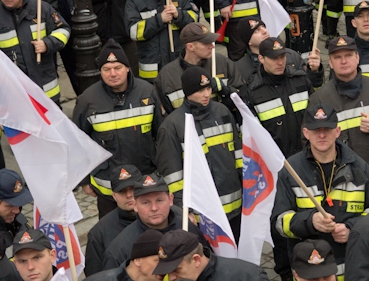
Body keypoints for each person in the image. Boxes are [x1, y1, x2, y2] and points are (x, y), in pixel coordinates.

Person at [271, 102, 369, 280]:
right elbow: (279, 223)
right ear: (306, 133)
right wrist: (310, 221)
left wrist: (352, 228)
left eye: (327, 129)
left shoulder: (359, 166)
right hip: (310, 272)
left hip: (352, 268)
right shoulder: (290, 171)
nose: (322, 135)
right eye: (316, 130)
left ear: (337, 131)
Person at [73, 40, 164, 218]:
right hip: (108, 190)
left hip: (145, 184)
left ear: (128, 68)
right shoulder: (87, 101)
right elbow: (77, 142)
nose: (113, 74)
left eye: (118, 68)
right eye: (106, 69)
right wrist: (83, 180)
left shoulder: (148, 92)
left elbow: (162, 136)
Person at [156, 66, 243, 236]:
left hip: (235, 207)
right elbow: (173, 176)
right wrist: (183, 210)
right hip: (201, 214)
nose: (206, 94)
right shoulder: (172, 126)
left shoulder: (223, 112)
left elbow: (238, 155)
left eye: (208, 88)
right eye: (200, 90)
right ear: (187, 92)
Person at [308, 36, 369, 180]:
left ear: (357, 58)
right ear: (330, 63)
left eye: (348, 55)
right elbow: (308, 140)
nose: (343, 61)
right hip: (339, 179)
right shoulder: (319, 99)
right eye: (337, 57)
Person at [101, 173, 204, 269]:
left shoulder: (187, 227)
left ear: (170, 199)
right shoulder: (121, 249)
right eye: (146, 203)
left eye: (159, 200)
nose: (154, 208)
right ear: (135, 205)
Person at [125, 0, 198, 80]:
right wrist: (160, 20)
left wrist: (178, 15)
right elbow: (133, 32)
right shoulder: (134, 0)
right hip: (151, 72)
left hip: (178, 65)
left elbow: (195, 21)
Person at [240, 37, 314, 157]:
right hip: (277, 160)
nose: (280, 62)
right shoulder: (251, 92)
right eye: (274, 58)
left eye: (282, 57)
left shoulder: (300, 80)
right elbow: (253, 136)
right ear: (261, 59)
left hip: (307, 155)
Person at [154, 22, 237, 113]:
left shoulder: (222, 63)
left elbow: (243, 99)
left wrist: (226, 91)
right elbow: (164, 114)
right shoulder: (167, 75)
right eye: (206, 43)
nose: (212, 46)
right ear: (190, 47)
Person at [84, 165, 142, 276]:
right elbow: (95, 276)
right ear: (114, 196)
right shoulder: (99, 233)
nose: (129, 195)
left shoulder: (162, 217)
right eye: (122, 191)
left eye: (133, 188)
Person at [233, 17, 323, 88]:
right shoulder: (240, 69)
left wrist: (314, 71)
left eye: (264, 27)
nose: (264, 31)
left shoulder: (291, 55)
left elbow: (311, 87)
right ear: (249, 41)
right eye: (256, 31)